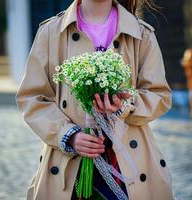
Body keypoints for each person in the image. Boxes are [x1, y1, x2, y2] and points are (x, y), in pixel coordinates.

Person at [16, 0, 173, 199]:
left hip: (128, 163)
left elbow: (159, 94)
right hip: (68, 166)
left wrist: (125, 105)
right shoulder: (50, 32)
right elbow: (32, 97)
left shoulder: (141, 33)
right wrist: (69, 135)